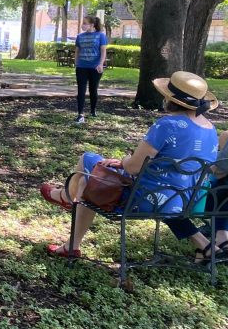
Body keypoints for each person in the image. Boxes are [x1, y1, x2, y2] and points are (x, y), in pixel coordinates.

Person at [40, 71, 226, 261]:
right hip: (187, 201)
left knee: (88, 159)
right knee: (86, 183)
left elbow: (132, 168)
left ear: (171, 100)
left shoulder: (167, 125)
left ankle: (64, 197)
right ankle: (71, 242)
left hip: (146, 199)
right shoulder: (210, 128)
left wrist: (122, 162)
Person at [73, 16, 107, 124]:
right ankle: (80, 114)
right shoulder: (79, 36)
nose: (83, 25)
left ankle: (93, 111)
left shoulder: (101, 36)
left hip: (95, 67)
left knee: (93, 90)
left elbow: (103, 51)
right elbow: (77, 51)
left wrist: (101, 64)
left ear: (92, 25)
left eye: (85, 23)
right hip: (81, 67)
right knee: (81, 90)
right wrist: (76, 62)